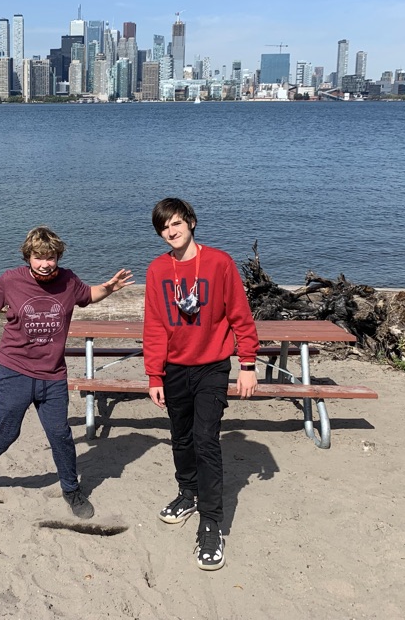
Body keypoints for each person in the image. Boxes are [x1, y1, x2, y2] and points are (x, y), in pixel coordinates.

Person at [0, 225, 133, 519]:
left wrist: (108, 288)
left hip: (52, 375)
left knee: (60, 434)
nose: (45, 264)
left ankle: (71, 490)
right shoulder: (12, 280)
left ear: (58, 257)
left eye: (50, 257)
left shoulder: (69, 281)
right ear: (28, 257)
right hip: (14, 371)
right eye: (38, 257)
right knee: (6, 432)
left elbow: (89, 294)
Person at [142, 197, 258, 570]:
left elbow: (240, 316)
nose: (171, 232)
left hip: (212, 367)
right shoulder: (158, 270)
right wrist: (154, 374)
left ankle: (211, 522)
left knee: (206, 439)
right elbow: (155, 326)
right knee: (181, 437)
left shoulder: (219, 263)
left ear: (191, 222)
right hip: (174, 369)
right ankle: (187, 492)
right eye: (164, 227)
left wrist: (249, 365)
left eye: (177, 223)